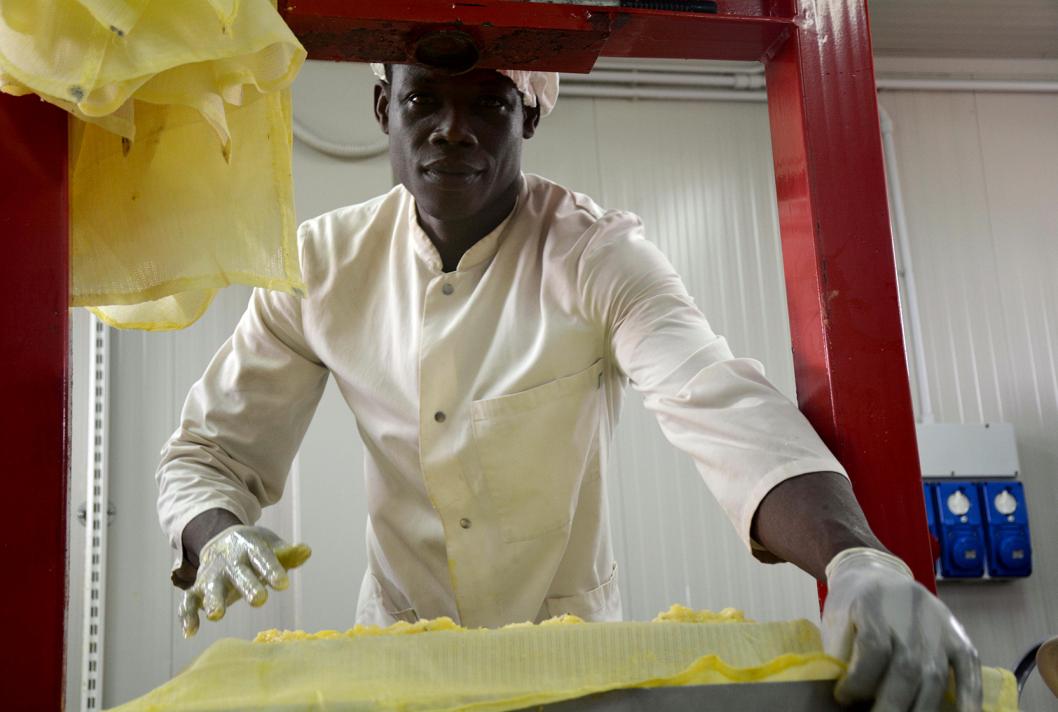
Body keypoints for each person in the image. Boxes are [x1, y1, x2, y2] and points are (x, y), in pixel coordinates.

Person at [157, 61, 981, 710]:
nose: (451, 129)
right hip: (399, 654)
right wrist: (215, 533)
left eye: (488, 102)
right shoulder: (320, 267)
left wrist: (859, 561)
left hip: (571, 657)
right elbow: (206, 456)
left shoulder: (594, 255)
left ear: (532, 115)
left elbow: (720, 403)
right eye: (422, 102)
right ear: (383, 110)